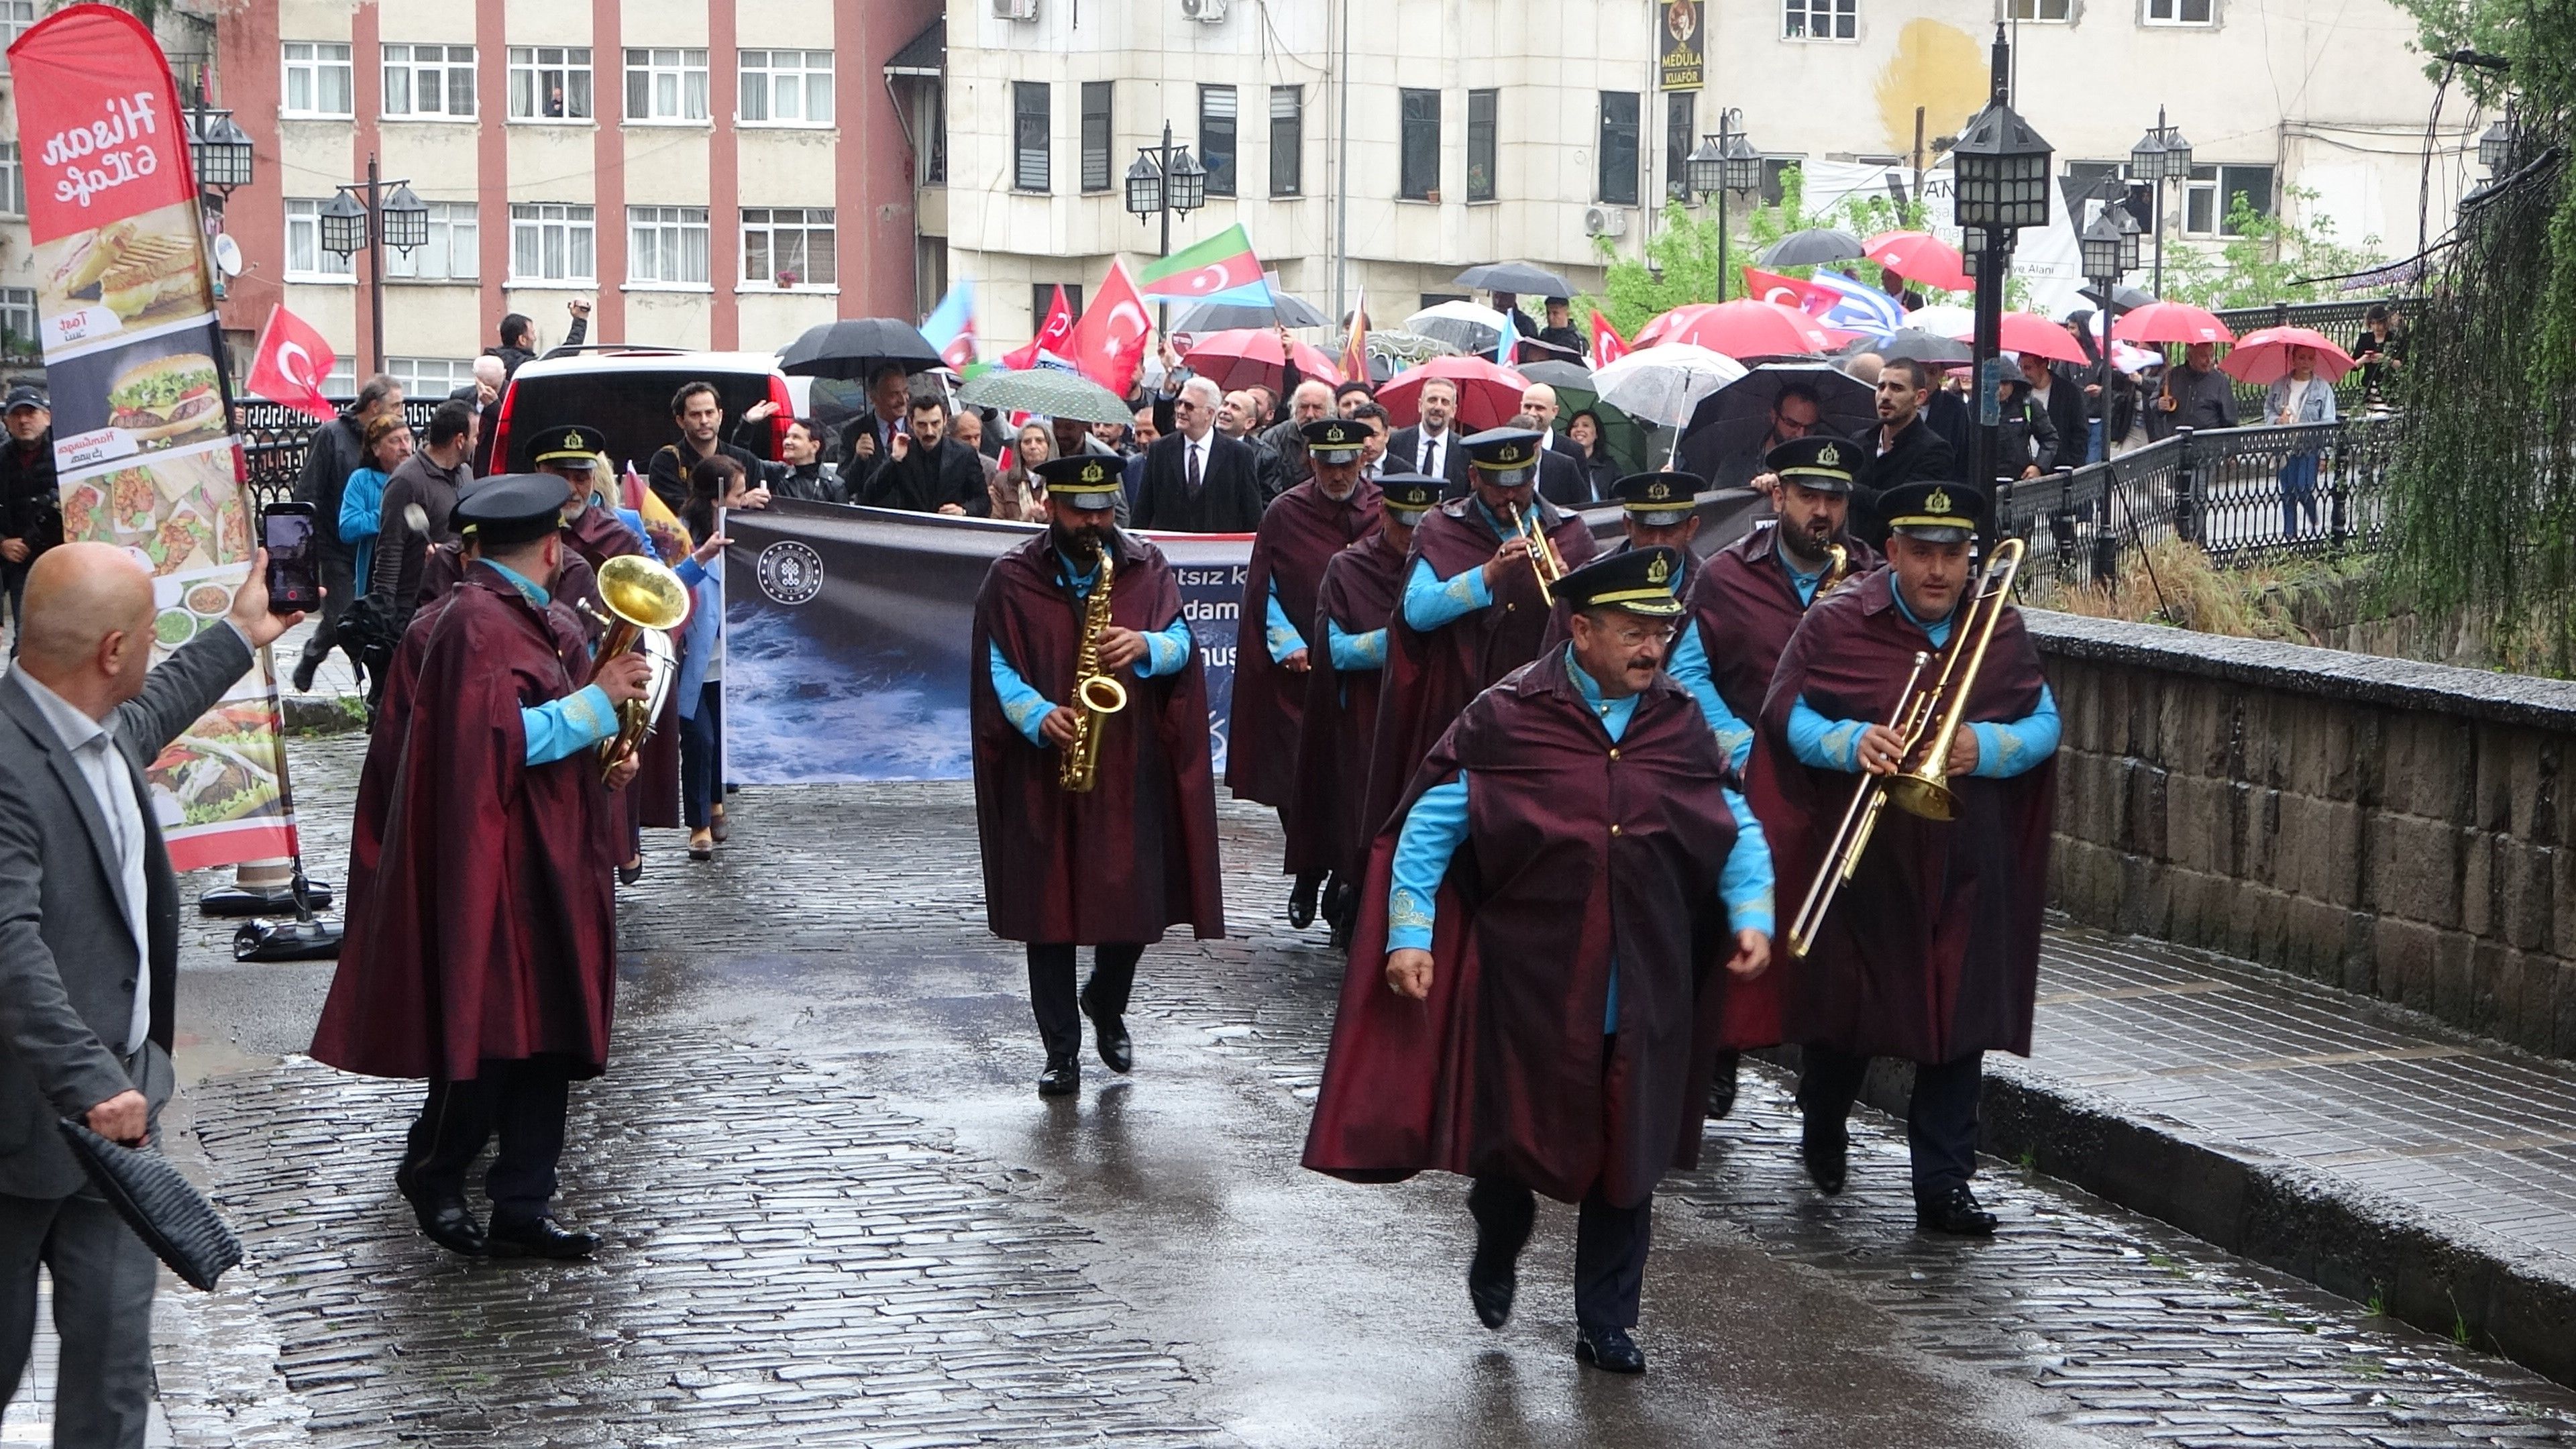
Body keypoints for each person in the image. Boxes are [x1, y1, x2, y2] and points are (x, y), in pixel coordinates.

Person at [1303, 545, 1773, 1376]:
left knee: (1628, 1154)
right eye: (1633, 632)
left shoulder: (1679, 720)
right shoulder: (1508, 715)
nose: (1653, 649)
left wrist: (1752, 913)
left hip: (1646, 986)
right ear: (1581, 629)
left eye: (1661, 631)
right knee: (1514, 1145)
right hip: (1531, 987)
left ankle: (1608, 1322)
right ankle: (1499, 1228)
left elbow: (1732, 821)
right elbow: (1429, 830)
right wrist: (1409, 936)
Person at [0, 541, 297, 1446]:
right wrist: (92, 1080)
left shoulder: (92, 726)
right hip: (21, 1131)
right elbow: (7, 943)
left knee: (117, 1374)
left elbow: (156, 708)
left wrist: (242, 632)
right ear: (113, 650)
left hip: (121, 1127)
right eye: (150, 633)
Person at [311, 472, 652, 1261]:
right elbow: (495, 743)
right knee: (498, 1028)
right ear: (550, 544)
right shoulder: (473, 623)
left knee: (549, 1033)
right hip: (501, 861)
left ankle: (523, 1205)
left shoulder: (531, 616)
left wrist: (609, 753)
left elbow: (540, 731)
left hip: (550, 852)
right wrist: (596, 705)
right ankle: (437, 1169)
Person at [1750, 480, 2057, 1236]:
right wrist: (1850, 742)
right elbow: (1785, 714)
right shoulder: (1837, 622)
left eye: (1953, 556)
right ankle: (1824, 1117)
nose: (1939, 573)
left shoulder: (2000, 629)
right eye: (1922, 554)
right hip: (1870, 858)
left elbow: (2045, 722)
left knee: (1956, 1018)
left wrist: (1982, 747)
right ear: (1890, 552)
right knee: (1850, 1010)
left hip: (1963, 856)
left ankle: (1944, 1185)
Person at [969, 455, 1225, 1096]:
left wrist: (1146, 645)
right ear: (1049, 505)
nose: (1094, 521)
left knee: (1131, 905)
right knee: (1046, 911)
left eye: (1104, 508)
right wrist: (1034, 713)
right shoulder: (1012, 576)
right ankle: (1061, 1052)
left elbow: (1183, 644)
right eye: (1080, 509)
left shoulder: (1145, 565)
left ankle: (1106, 1001)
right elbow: (996, 661)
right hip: (1043, 762)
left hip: (1125, 762)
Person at [1680, 435, 1880, 1117]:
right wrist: (1736, 745)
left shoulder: (1872, 580)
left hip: (1843, 789)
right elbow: (1687, 675)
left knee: (1841, 950)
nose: (1821, 512)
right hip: (1745, 782)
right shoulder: (1725, 573)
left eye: (1833, 500)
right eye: (1808, 497)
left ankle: (1827, 1104)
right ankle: (1717, 1053)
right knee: (1728, 918)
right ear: (1780, 496)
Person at [1357, 428, 1599, 855]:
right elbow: (1414, 611)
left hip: (1540, 701)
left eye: (1521, 484)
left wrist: (1568, 582)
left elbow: (1594, 626)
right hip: (1458, 696)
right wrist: (1486, 575)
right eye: (1497, 485)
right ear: (1473, 478)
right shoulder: (1441, 526)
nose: (1511, 498)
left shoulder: (1570, 530)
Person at [1230, 419, 1383, 925]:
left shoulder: (1385, 509)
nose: (1338, 475)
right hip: (1301, 673)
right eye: (1326, 464)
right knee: (1296, 778)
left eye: (1347, 464)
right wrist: (1285, 641)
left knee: (1355, 780)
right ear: (1310, 462)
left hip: (1363, 672)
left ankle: (1345, 878)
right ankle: (1308, 868)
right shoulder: (1286, 512)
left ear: (1362, 460)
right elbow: (1261, 588)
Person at [1287, 473, 1438, 947]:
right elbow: (1336, 651)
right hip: (1367, 714)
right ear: (1384, 517)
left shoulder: (1445, 566)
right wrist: (1400, 642)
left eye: (1422, 527)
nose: (1411, 538)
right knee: (1360, 813)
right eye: (1402, 525)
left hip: (1427, 713)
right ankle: (1351, 896)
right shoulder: (1349, 568)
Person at [292, 374, 405, 692]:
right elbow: (308, 490)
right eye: (396, 406)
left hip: (376, 549)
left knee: (376, 618)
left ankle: (377, 688)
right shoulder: (331, 436)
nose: (401, 413)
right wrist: (304, 545)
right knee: (341, 613)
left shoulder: (392, 439)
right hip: (335, 543)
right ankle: (314, 655)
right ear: (373, 406)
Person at [674, 456, 755, 859]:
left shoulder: (743, 530)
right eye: (738, 495)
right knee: (699, 739)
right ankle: (699, 824)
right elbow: (667, 584)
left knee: (720, 738)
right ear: (715, 498)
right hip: (692, 658)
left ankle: (717, 801)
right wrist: (701, 557)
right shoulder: (680, 533)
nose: (743, 501)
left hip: (730, 658)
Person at [1542, 471, 1703, 655]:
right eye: (1646, 528)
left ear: (1691, 528)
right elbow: (1552, 668)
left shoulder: (1711, 586)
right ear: (1627, 525)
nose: (1657, 541)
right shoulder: (1586, 585)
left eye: (1670, 530)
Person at [1849, 358, 1957, 546]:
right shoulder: (1859, 442)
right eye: (1881, 387)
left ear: (1919, 397)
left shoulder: (1934, 450)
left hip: (1900, 562)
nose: (1885, 396)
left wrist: (1847, 488)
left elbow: (1900, 504)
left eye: (1896, 388)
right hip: (1854, 559)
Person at [1136, 377, 1263, 533]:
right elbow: (1143, 510)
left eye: (1189, 406)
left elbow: (1252, 515)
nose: (1180, 411)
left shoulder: (1239, 454)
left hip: (1219, 551)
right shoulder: (1160, 450)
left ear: (1209, 413)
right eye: (1179, 403)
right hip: (1170, 550)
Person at [647, 382, 769, 518]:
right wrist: (742, 501)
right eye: (695, 415)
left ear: (720, 416)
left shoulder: (746, 460)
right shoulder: (666, 462)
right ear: (681, 421)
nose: (704, 420)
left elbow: (760, 516)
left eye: (709, 413)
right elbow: (679, 511)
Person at [854, 393, 986, 516]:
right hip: (912, 532)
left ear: (945, 420)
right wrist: (894, 460)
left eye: (935, 424)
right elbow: (870, 495)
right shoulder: (902, 452)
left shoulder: (965, 454)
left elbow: (983, 501)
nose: (929, 432)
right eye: (922, 425)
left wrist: (963, 511)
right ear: (911, 423)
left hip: (951, 532)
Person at [0, 386, 60, 649]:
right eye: (17, 414)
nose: (24, 420)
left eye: (31, 413)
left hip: (64, 560)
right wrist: (2, 543)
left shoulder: (67, 454)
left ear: (47, 416)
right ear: (6, 421)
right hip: (20, 565)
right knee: (27, 640)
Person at [337, 413, 418, 594]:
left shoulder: (420, 476)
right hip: (376, 578)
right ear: (376, 449)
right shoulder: (362, 480)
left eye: (407, 439)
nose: (405, 447)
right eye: (395, 441)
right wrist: (391, 514)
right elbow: (348, 527)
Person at [2269, 345, 2337, 537]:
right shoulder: (2280, 385)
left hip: (2309, 447)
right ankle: (2289, 534)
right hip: (2285, 446)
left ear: (2315, 361)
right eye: (2301, 358)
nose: (2305, 362)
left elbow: (2328, 421)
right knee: (2288, 491)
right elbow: (2269, 409)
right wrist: (2276, 420)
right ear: (2293, 360)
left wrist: (2325, 454)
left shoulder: (2322, 388)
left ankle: (2313, 518)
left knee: (2303, 487)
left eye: (2310, 358)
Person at [1727, 382, 1826, 493]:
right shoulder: (1736, 464)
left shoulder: (1821, 466)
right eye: (1792, 424)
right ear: (1774, 416)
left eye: (1810, 427)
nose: (1801, 434)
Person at [1388, 377, 1474, 492]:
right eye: (1432, 400)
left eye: (1445, 402)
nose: (1438, 407)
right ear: (1420, 405)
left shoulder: (1466, 450)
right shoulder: (1396, 442)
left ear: (1453, 410)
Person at [485, 299, 588, 380]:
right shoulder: (521, 366)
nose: (535, 338)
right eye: (533, 333)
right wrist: (581, 320)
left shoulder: (496, 362)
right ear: (522, 340)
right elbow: (564, 354)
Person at [2153, 341, 2240, 436]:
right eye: (2204, 356)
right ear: (2190, 357)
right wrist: (2159, 405)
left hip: (2207, 443)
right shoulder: (2172, 376)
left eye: (2212, 356)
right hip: (2176, 442)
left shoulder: (2220, 382)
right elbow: (2153, 404)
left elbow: (2230, 421)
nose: (2209, 361)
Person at [1262, 379, 1335, 484]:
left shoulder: (1338, 436)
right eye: (1304, 407)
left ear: (1329, 411)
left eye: (1317, 408)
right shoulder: (1273, 438)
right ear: (1294, 409)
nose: (1310, 414)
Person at [2023, 353, 2087, 469]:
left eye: (2028, 368)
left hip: (2058, 467)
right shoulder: (2019, 393)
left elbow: (2080, 431)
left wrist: (2071, 464)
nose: (2023, 374)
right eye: (2021, 368)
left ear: (2043, 366)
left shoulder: (2069, 393)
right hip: (2025, 469)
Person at [1991, 370, 2057, 480]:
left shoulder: (2028, 405)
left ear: (2014, 383)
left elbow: (2050, 438)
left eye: (2006, 383)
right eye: (1996, 384)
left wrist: (2039, 467)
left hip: (2020, 480)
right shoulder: (1976, 407)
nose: (2001, 389)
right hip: (1985, 481)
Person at [766, 419, 845, 504]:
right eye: (787, 436)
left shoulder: (835, 486)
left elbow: (846, 516)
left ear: (815, 446)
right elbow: (751, 464)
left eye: (796, 437)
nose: (787, 442)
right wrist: (750, 424)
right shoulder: (778, 474)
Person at [994, 421, 1053, 522]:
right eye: (1027, 442)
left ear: (1050, 446)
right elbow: (995, 523)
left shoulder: (1062, 480)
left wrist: (1045, 519)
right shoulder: (1002, 481)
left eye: (1039, 441)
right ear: (1019, 448)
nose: (1033, 446)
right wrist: (1023, 520)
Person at [2354, 304, 2406, 407]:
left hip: (2390, 390)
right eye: (2373, 323)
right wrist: (2363, 360)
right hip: (2369, 391)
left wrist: (2387, 360)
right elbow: (2353, 366)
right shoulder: (2365, 339)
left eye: (2379, 323)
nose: (2376, 327)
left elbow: (2403, 366)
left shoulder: (2394, 339)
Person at [1562, 409, 1615, 500]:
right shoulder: (1561, 464)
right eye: (1574, 426)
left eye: (1586, 425)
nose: (1579, 429)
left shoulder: (1609, 467)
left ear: (1596, 434)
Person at [1534, 297, 1588, 361]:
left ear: (1567, 314)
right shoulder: (1544, 334)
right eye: (1548, 313)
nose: (1550, 317)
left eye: (1555, 313)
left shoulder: (1579, 340)